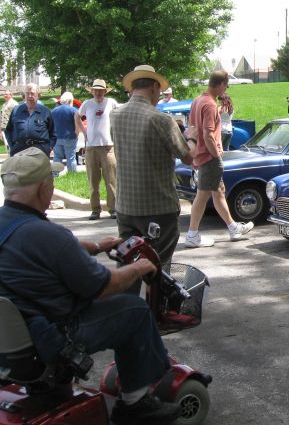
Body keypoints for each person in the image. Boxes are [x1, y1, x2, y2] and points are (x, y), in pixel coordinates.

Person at [0, 148, 181, 424]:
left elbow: (44, 249)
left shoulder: (10, 224)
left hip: (16, 338)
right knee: (134, 310)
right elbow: (103, 286)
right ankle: (135, 404)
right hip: (53, 337)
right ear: (42, 189)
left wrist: (96, 246)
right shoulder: (49, 236)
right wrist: (138, 268)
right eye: (52, 182)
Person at [111, 65, 196, 282]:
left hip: (126, 206)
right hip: (158, 208)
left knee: (127, 262)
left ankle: (128, 307)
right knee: (158, 266)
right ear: (154, 86)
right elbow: (188, 157)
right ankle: (156, 309)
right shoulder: (161, 119)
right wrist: (191, 136)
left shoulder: (115, 115)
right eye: (159, 90)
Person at [185, 70, 253, 248]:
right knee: (202, 195)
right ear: (222, 84)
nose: (226, 89)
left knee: (219, 191)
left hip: (202, 155)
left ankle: (233, 228)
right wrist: (216, 155)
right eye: (227, 85)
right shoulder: (209, 105)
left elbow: (191, 128)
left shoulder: (198, 100)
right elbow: (208, 135)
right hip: (209, 157)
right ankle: (192, 235)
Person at [76, 79, 119, 220]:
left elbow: (119, 116)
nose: (98, 93)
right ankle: (95, 209)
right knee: (93, 181)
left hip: (108, 146)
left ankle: (113, 209)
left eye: (101, 90)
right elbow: (77, 116)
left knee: (111, 180)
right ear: (92, 91)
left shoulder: (111, 102)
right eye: (96, 90)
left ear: (105, 91)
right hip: (91, 148)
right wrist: (83, 131)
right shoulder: (87, 104)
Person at [4, 83, 55, 157]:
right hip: (19, 151)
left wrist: (49, 148)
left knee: (39, 169)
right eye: (27, 93)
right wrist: (12, 146)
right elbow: (8, 130)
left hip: (40, 151)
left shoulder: (45, 112)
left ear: (38, 95)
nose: (29, 96)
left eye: (32, 93)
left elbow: (53, 133)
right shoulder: (16, 110)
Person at [51, 91, 79, 172]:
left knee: (57, 157)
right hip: (70, 137)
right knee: (71, 157)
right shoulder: (73, 110)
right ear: (70, 100)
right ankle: (72, 175)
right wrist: (76, 134)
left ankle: (55, 175)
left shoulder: (54, 110)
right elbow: (77, 124)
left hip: (57, 137)